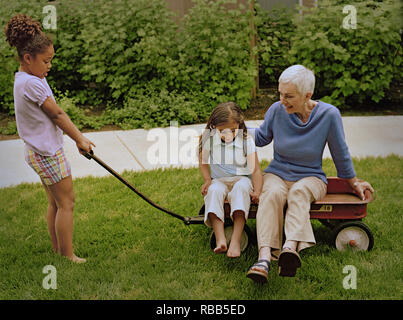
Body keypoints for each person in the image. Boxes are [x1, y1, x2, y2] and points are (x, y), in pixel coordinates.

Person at [246, 65, 374, 283]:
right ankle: (264, 257)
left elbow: (339, 152)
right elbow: (260, 138)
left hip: (311, 177)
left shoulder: (328, 115)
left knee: (299, 192)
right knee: (272, 193)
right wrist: (232, 129)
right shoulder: (277, 110)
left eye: (288, 96)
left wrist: (353, 182)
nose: (282, 100)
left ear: (307, 95)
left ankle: (290, 249)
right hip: (277, 173)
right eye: (280, 94)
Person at [5, 14, 95, 263]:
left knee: (55, 203)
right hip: (46, 152)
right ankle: (68, 255)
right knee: (67, 203)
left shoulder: (25, 79)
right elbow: (56, 113)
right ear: (27, 58)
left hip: (37, 150)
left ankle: (59, 250)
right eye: (46, 61)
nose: (49, 66)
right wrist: (80, 139)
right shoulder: (33, 84)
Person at [199, 102, 263, 258]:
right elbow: (203, 161)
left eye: (233, 130)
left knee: (241, 190)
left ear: (239, 125)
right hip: (219, 180)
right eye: (222, 131)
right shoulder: (209, 139)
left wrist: (258, 190)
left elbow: (255, 169)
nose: (228, 135)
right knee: (213, 191)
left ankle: (235, 240)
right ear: (213, 127)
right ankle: (220, 238)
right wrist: (207, 180)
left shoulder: (246, 141)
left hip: (242, 179)